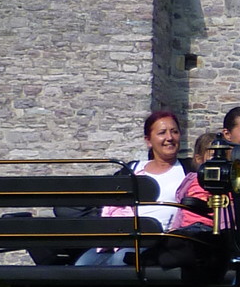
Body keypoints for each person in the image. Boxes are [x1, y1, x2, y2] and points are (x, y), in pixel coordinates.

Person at [77, 110, 188, 266]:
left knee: (120, 260)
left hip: (157, 242)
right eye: (162, 133)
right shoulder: (133, 168)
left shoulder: (187, 170)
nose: (169, 138)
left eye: (174, 132)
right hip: (120, 237)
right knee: (83, 265)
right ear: (148, 141)